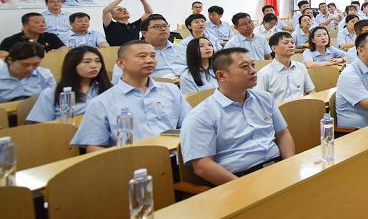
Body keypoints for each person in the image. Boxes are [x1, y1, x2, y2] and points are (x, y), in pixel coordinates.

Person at [180, 48, 296, 185]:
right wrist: (241, 186)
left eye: (253, 65)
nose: (253, 71)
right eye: (244, 67)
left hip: (277, 168)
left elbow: (282, 134)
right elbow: (202, 166)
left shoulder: (265, 99)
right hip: (237, 179)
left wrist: (290, 166)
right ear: (221, 76)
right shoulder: (200, 116)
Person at [71, 40, 191, 151]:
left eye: (153, 56)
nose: (150, 60)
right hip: (131, 162)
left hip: (176, 157)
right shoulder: (101, 102)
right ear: (121, 63)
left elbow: (190, 124)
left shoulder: (171, 90)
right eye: (142, 56)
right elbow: (93, 147)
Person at [28, 46, 110, 122]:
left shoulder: (108, 89)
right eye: (87, 62)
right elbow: (38, 126)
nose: (94, 66)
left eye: (98, 61)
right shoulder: (51, 93)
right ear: (72, 65)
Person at [256, 32, 315, 104]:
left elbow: (311, 91)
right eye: (286, 43)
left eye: (292, 42)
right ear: (274, 48)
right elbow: (259, 102)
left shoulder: (301, 67)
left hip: (303, 108)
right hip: (278, 110)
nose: (291, 45)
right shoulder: (264, 73)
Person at [0, 12, 66, 57]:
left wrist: (57, 51)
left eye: (43, 22)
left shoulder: (50, 36)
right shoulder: (11, 40)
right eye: (37, 22)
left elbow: (64, 49)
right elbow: (2, 54)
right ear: (24, 25)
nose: (42, 25)